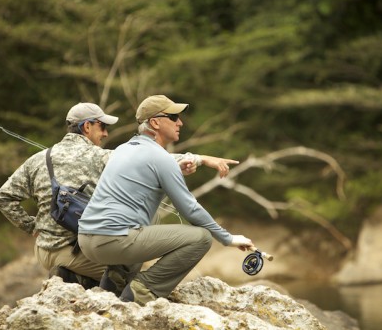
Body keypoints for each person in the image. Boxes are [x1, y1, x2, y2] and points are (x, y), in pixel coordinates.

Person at [0, 102, 241, 292]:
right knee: (131, 263)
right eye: (102, 126)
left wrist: (31, 227)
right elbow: (150, 160)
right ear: (87, 126)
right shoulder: (98, 157)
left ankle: (76, 281)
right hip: (76, 253)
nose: (105, 133)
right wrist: (200, 159)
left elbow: (2, 198)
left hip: (43, 250)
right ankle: (83, 283)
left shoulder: (38, 159)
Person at [78, 95, 254, 306]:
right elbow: (190, 209)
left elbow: (154, 166)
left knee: (141, 231)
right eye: (173, 117)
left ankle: (111, 293)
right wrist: (227, 238)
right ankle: (141, 294)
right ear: (155, 122)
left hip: (86, 239)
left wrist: (192, 162)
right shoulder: (160, 158)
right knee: (201, 237)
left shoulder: (123, 149)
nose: (180, 122)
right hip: (111, 241)